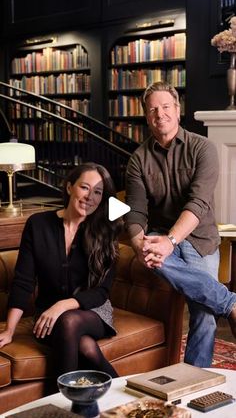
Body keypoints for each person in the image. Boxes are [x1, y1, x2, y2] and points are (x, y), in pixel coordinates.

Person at [124, 81, 236, 367]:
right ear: (146, 116)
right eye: (152, 110)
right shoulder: (138, 160)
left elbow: (198, 204)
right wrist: (140, 245)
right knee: (209, 304)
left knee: (203, 313)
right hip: (159, 238)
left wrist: (170, 242)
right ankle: (231, 303)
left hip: (198, 239)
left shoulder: (204, 148)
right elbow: (135, 211)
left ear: (177, 109)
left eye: (165, 107)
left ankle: (194, 380)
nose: (159, 114)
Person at [0, 162, 121, 379]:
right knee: (86, 347)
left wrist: (63, 305)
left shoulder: (106, 230)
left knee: (69, 320)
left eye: (97, 192)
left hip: (93, 312)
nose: (90, 197)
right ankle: (130, 394)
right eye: (84, 187)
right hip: (48, 316)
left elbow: (101, 292)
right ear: (69, 187)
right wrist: (9, 330)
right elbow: (23, 280)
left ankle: (58, 407)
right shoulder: (37, 224)